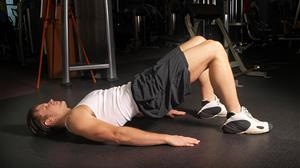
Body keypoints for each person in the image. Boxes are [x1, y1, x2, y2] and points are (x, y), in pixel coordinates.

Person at [27, 36, 272, 147]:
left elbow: (115, 110)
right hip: (147, 91)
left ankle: (209, 102)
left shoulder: (77, 112)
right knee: (215, 49)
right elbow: (117, 135)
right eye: (44, 106)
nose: (49, 100)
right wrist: (166, 139)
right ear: (48, 121)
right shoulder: (75, 120)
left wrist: (156, 110)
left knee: (198, 40)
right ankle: (236, 115)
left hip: (145, 90)